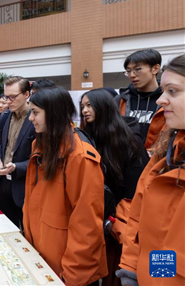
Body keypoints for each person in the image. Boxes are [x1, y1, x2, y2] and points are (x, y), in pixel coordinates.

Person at [24, 86, 108, 286]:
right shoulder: (40, 146)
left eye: (35, 113)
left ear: (54, 113)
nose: (30, 118)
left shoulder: (79, 157)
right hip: (42, 258)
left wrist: (70, 276)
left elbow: (87, 225)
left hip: (65, 269)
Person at [117, 54, 185, 286]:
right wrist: (132, 270)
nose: (161, 100)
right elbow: (144, 222)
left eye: (173, 91)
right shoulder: (166, 152)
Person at [81, 89, 149, 286]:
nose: (85, 110)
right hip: (98, 215)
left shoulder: (127, 140)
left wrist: (114, 219)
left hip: (122, 218)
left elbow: (136, 186)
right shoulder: (88, 137)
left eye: (89, 105)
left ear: (104, 107)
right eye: (82, 106)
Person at [0, 76, 35, 228]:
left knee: (26, 232)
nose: (8, 102)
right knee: (7, 227)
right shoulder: (4, 117)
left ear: (26, 95)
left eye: (13, 97)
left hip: (24, 185)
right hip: (3, 181)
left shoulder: (35, 119)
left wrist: (18, 167)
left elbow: (39, 158)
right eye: (6, 97)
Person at [115, 49, 165, 150]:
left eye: (138, 69)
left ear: (155, 69)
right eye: (128, 71)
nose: (132, 75)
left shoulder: (167, 100)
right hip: (126, 160)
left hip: (157, 161)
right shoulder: (120, 100)